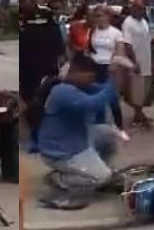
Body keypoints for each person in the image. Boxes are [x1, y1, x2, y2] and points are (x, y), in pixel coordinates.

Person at [36, 53, 119, 209]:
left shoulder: (81, 86)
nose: (91, 81)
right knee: (104, 176)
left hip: (79, 141)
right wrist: (113, 80)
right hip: (61, 151)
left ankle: (92, 171)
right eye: (89, 76)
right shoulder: (62, 91)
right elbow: (94, 104)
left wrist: (116, 80)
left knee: (108, 134)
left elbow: (109, 95)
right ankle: (60, 178)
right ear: (77, 73)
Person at [18, 0, 66, 150]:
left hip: (46, 68)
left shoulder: (46, 17)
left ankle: (41, 138)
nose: (24, 3)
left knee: (43, 104)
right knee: (30, 102)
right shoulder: (22, 20)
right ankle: (36, 136)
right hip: (27, 68)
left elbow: (58, 46)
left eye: (26, 0)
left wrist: (58, 66)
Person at [89, 5, 125, 130]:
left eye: (100, 16)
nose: (98, 19)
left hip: (109, 66)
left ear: (107, 16)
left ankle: (119, 125)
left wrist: (114, 63)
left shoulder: (116, 33)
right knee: (97, 96)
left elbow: (120, 49)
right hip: (95, 66)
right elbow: (89, 48)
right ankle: (100, 124)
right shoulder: (92, 32)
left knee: (112, 97)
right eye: (96, 16)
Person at [121, 1, 153, 128]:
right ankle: (138, 116)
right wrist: (134, 62)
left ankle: (140, 113)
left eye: (143, 9)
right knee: (136, 90)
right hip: (136, 61)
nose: (141, 11)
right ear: (132, 9)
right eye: (139, 8)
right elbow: (127, 44)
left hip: (146, 59)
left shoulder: (144, 22)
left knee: (144, 89)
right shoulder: (128, 23)